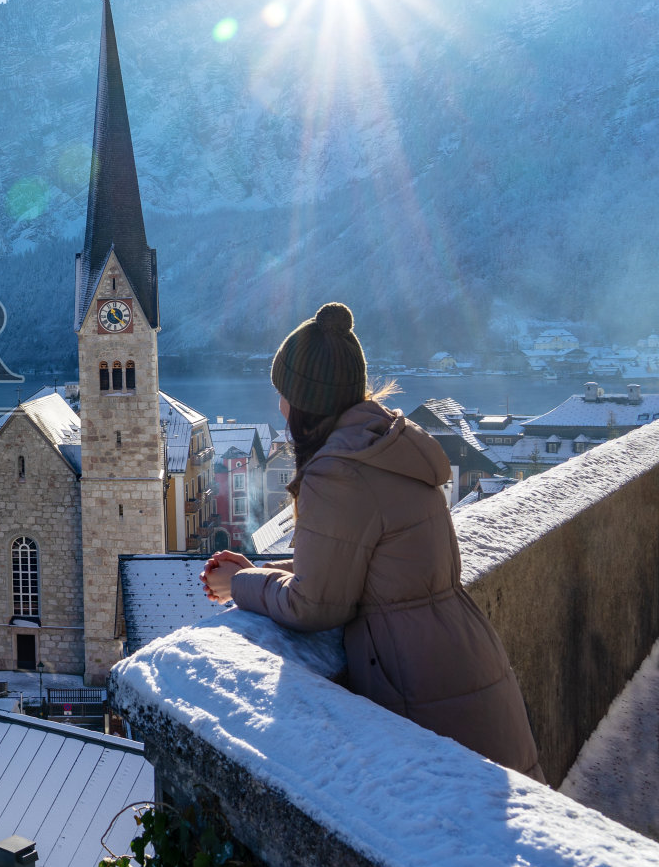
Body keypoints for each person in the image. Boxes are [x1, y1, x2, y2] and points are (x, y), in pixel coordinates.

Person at [200, 302, 544, 781]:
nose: (279, 408)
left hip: (419, 682)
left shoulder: (337, 474)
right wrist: (257, 573)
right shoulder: (388, 443)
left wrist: (241, 585)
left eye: (283, 394)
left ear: (304, 401)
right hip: (464, 656)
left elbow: (316, 606)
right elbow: (359, 568)